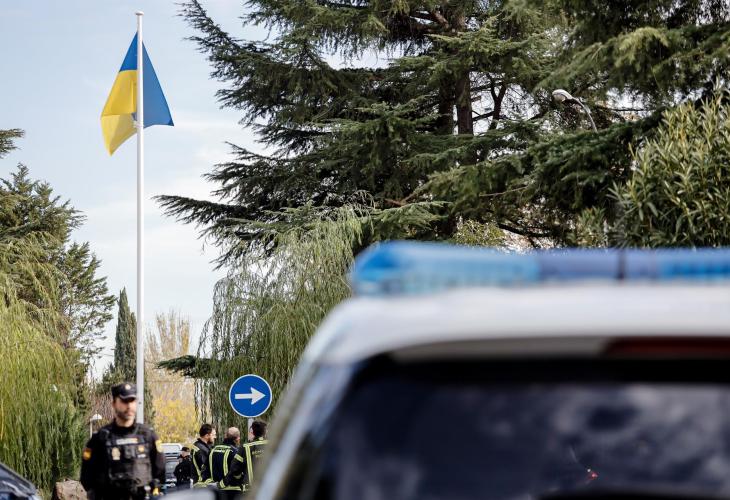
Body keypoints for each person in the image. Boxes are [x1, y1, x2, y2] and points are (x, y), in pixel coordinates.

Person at [80, 383, 165, 500]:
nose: (129, 405)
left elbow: (160, 473)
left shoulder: (148, 436)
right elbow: (86, 478)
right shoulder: (100, 439)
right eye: (124, 401)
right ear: (114, 404)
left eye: (132, 400)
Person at [219, 421, 268, 494]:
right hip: (270, 488)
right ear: (265, 432)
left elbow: (235, 469)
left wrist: (240, 479)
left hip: (250, 490)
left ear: (253, 432)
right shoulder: (273, 445)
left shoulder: (245, 447)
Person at [208, 427, 241, 496]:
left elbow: (205, 469)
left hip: (216, 491)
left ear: (225, 436)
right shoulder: (236, 452)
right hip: (232, 491)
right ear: (238, 439)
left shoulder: (213, 450)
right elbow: (236, 472)